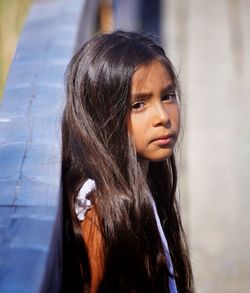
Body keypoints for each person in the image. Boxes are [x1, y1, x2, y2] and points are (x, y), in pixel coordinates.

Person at [62, 30, 194, 293]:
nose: (162, 117)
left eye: (168, 96)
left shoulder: (146, 180)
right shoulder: (99, 214)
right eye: (138, 104)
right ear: (103, 114)